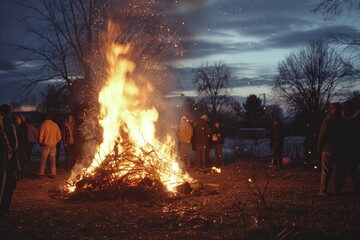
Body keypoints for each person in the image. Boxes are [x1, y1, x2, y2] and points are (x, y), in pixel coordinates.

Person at [335, 105, 360, 195]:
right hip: (355, 150)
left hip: (348, 150)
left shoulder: (349, 123)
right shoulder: (354, 122)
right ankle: (357, 189)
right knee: (354, 170)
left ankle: (339, 189)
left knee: (343, 170)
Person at [317, 102, 342, 196]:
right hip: (339, 148)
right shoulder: (342, 120)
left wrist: (319, 147)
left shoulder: (328, 120)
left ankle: (323, 191)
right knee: (338, 171)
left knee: (326, 171)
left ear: (332, 109)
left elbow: (322, 134)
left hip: (328, 149)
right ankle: (337, 190)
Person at [0, 104, 19, 215]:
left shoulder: (4, 124)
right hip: (7, 158)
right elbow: (14, 144)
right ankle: (4, 209)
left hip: (5, 157)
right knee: (9, 183)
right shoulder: (9, 125)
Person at [38, 112, 62, 178]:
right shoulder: (55, 125)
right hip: (53, 146)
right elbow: (59, 137)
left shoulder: (43, 125)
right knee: (53, 160)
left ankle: (41, 173)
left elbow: (40, 136)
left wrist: (40, 142)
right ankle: (53, 173)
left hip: (45, 145)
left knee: (43, 160)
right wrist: (55, 142)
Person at [0, 111, 12, 216]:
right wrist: (8, 152)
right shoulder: (1, 132)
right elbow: (7, 146)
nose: (2, 120)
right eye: (1, 118)